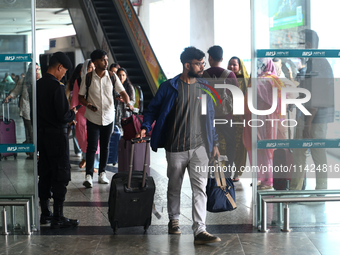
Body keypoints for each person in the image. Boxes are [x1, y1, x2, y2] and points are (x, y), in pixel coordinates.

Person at [137, 46, 221, 245]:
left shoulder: (203, 87)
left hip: (199, 147)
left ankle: (200, 229)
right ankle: (173, 220)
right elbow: (152, 110)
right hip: (175, 147)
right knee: (174, 187)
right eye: (199, 63)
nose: (202, 66)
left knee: (199, 189)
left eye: (203, 63)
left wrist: (214, 143)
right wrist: (145, 126)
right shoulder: (169, 87)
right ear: (186, 65)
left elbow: (209, 118)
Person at [78, 49, 133, 188]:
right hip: (92, 117)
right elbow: (80, 97)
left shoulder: (112, 76)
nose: (106, 62)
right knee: (91, 147)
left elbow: (123, 92)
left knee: (105, 146)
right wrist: (88, 105)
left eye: (106, 59)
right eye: (103, 59)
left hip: (108, 116)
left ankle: (102, 173)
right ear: (95, 62)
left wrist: (128, 104)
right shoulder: (88, 77)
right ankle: (89, 175)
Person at [37, 51, 79, 228]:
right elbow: (63, 115)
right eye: (64, 71)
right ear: (59, 67)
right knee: (60, 174)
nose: (64, 75)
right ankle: (58, 216)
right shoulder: (57, 87)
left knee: (45, 172)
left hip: (42, 135)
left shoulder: (37, 85)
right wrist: (72, 114)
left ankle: (45, 213)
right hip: (57, 137)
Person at [290, 29, 334, 191]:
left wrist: (307, 123)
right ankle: (296, 190)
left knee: (316, 153)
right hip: (309, 116)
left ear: (307, 44)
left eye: (300, 43)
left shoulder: (318, 63)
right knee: (302, 153)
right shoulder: (314, 62)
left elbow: (317, 96)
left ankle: (319, 190)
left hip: (314, 118)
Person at [243, 58, 284, 189]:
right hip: (256, 117)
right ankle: (260, 177)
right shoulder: (260, 79)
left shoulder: (271, 80)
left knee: (267, 148)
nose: (259, 66)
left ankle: (269, 180)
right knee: (258, 147)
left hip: (267, 119)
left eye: (262, 64)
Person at [203, 46, 238, 180]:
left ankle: (211, 171)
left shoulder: (204, 75)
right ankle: (227, 172)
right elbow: (237, 94)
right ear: (222, 58)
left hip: (208, 117)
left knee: (209, 143)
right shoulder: (229, 74)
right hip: (226, 115)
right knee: (231, 143)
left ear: (210, 58)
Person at [5, 63, 41, 159]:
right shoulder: (24, 80)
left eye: (38, 69)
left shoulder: (40, 80)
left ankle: (34, 149)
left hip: (38, 109)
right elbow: (16, 91)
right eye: (35, 69)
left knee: (37, 130)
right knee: (29, 130)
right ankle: (32, 151)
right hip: (27, 109)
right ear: (30, 70)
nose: (37, 71)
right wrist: (9, 97)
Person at [70, 60, 100, 170]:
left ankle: (93, 164)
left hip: (95, 113)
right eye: (89, 68)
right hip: (82, 113)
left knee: (95, 139)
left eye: (93, 67)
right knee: (83, 138)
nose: (92, 70)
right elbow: (75, 99)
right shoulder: (79, 80)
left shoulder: (98, 80)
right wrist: (72, 114)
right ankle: (86, 158)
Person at [228, 56, 250, 182]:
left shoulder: (245, 81)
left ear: (240, 67)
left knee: (240, 146)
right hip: (228, 117)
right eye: (230, 64)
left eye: (234, 65)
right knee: (227, 144)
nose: (232, 67)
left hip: (241, 118)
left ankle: (237, 172)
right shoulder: (225, 79)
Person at [66, 63, 83, 157]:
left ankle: (83, 149)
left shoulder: (88, 81)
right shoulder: (73, 83)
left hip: (83, 110)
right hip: (74, 109)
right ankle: (78, 150)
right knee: (75, 129)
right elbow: (67, 96)